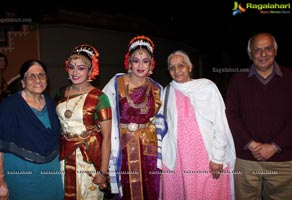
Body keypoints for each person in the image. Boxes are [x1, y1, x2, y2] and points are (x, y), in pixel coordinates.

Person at [160, 50, 236, 200]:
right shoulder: (167, 91)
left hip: (207, 158)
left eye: (181, 65)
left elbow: (220, 123)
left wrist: (218, 157)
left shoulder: (207, 87)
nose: (176, 70)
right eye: (172, 67)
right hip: (179, 160)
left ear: (190, 67)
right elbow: (162, 125)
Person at [226, 32, 292, 199]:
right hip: (247, 159)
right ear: (250, 54)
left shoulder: (290, 78)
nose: (263, 54)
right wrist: (251, 144)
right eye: (257, 50)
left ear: (275, 51)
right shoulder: (237, 80)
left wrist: (275, 146)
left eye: (268, 49)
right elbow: (232, 116)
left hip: (283, 161)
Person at [102, 35, 167, 200]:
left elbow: (164, 121)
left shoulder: (157, 88)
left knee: (151, 187)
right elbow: (103, 115)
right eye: (136, 60)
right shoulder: (116, 83)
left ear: (151, 64)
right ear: (129, 62)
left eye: (145, 61)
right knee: (128, 188)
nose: (140, 65)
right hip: (123, 146)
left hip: (150, 150)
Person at [0, 59, 63, 200]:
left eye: (41, 75)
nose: (37, 79)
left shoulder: (51, 104)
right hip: (22, 178)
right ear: (23, 82)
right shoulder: (9, 107)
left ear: (47, 80)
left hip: (51, 176)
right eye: (31, 76)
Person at [55, 44, 112, 200]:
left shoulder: (100, 97)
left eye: (81, 68)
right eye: (72, 67)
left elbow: (107, 137)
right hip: (64, 157)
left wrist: (103, 172)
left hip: (89, 156)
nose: (75, 72)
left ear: (90, 70)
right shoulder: (61, 93)